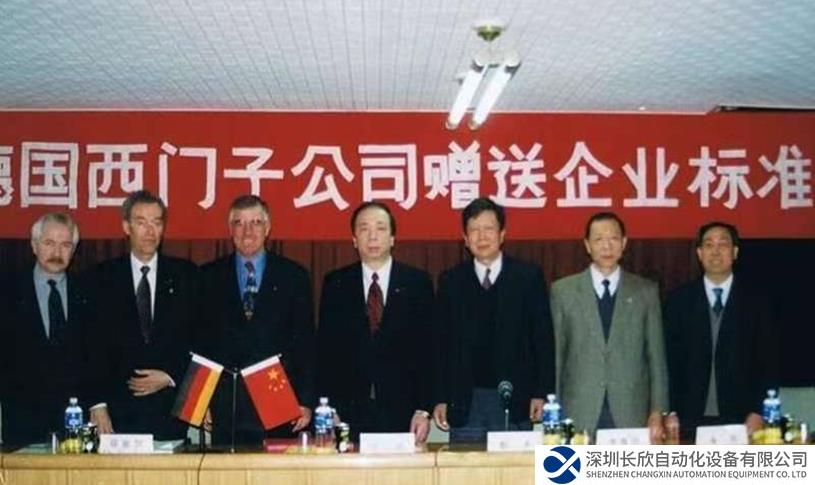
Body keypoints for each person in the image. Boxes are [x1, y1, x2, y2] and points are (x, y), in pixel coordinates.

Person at [432, 197, 554, 442]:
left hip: (516, 398)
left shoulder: (528, 277)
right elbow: (441, 345)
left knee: (515, 466)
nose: (482, 237)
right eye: (474, 230)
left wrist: (541, 393)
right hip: (466, 401)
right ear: (465, 238)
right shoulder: (451, 281)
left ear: (502, 234)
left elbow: (543, 339)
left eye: (488, 229)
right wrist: (440, 398)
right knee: (466, 465)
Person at [198, 195, 314, 446]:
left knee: (276, 470)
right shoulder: (208, 277)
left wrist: (305, 400)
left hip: (279, 399)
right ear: (230, 229)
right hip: (226, 404)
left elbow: (306, 343)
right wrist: (201, 400)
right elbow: (200, 343)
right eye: (239, 223)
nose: (248, 231)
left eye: (256, 222)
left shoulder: (293, 276)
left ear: (268, 228)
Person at [316, 202, 434, 443]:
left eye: (380, 228)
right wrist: (330, 409)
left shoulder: (417, 283)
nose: (372, 236)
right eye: (364, 229)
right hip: (348, 413)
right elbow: (325, 351)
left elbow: (430, 352)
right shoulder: (336, 283)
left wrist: (423, 409)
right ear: (354, 239)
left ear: (392, 238)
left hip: (404, 413)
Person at [86, 190, 198, 439]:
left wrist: (171, 376)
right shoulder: (101, 278)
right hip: (116, 414)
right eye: (141, 222)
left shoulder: (186, 275)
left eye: (156, 222)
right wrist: (97, 403)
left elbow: (200, 338)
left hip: (169, 411)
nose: (150, 231)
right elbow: (89, 346)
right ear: (126, 227)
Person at [550, 211, 668, 442]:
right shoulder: (563, 291)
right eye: (599, 239)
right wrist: (553, 410)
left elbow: (656, 356)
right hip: (578, 409)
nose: (607, 246)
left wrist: (658, 410)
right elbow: (557, 356)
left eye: (613, 238)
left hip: (631, 409)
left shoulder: (645, 291)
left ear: (624, 243)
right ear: (587, 245)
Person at [664, 221, 778, 438]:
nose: (715, 251)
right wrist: (669, 411)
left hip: (742, 417)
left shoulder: (757, 301)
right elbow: (667, 361)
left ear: (735, 252)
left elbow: (769, 361)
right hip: (687, 417)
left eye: (723, 244)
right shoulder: (678, 300)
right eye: (709, 245)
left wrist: (758, 411)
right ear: (699, 253)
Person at [0, 213, 89, 446]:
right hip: (21, 423)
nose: (57, 252)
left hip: (75, 424)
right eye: (49, 243)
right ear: (34, 245)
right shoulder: (7, 291)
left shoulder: (89, 292)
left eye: (65, 245)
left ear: (74, 250)